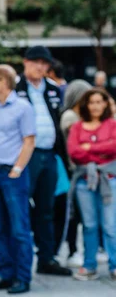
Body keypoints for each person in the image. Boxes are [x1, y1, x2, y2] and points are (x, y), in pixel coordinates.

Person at [15, 46, 72, 276]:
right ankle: (21, 261)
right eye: (35, 61)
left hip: (49, 154)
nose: (40, 67)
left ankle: (46, 258)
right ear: (25, 62)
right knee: (21, 208)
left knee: (46, 208)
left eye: (44, 63)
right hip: (25, 155)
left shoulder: (52, 89)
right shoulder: (15, 87)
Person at [0, 65, 36, 294]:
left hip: (12, 174)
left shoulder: (23, 107)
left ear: (4, 81)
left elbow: (29, 140)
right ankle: (5, 274)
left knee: (19, 229)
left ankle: (23, 277)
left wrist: (17, 168)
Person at [67, 88, 116, 281]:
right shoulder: (77, 127)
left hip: (108, 180)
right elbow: (74, 152)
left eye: (99, 101)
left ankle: (114, 264)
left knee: (110, 224)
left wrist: (90, 148)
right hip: (84, 183)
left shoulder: (111, 124)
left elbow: (114, 146)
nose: (96, 106)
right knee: (89, 225)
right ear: (86, 105)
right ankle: (89, 265)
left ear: (105, 104)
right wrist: (101, 154)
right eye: (92, 102)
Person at [59, 79, 92, 268]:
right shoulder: (71, 117)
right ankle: (73, 250)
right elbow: (80, 144)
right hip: (74, 170)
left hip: (84, 170)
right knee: (75, 214)